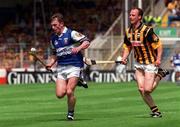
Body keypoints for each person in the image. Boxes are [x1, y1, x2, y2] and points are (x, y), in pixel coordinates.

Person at [121, 7, 169, 118]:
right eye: (130, 15)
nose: (130, 17)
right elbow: (127, 46)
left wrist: (158, 59)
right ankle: (155, 111)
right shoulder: (128, 31)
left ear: (139, 17)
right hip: (139, 63)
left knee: (148, 89)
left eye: (133, 15)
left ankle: (160, 74)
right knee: (141, 89)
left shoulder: (147, 30)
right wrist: (124, 57)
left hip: (150, 63)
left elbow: (159, 45)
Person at [46, 13, 90, 120]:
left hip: (74, 65)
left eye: (55, 25)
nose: (53, 27)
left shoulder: (71, 33)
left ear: (61, 24)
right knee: (60, 94)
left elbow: (87, 41)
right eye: (52, 25)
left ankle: (70, 113)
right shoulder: (53, 39)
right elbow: (54, 54)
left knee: (69, 91)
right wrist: (50, 63)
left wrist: (78, 48)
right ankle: (78, 80)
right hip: (61, 68)